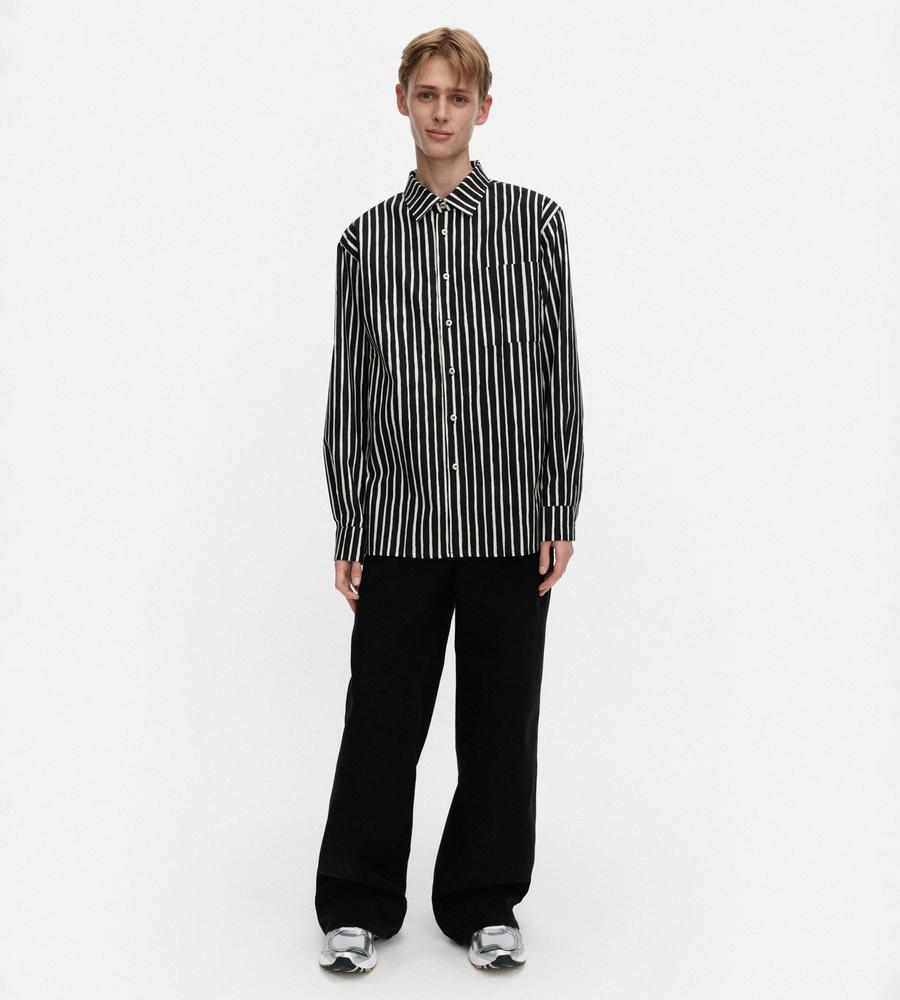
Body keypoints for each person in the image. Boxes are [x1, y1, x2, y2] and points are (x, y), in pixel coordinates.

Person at [315, 25, 585, 973]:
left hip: (511, 518)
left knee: (500, 725)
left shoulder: (535, 224)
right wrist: (350, 519)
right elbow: (352, 389)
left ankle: (484, 901)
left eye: (457, 98)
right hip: (399, 521)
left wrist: (560, 505)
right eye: (426, 95)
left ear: (483, 109)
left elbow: (558, 372)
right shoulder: (365, 242)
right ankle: (356, 903)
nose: (440, 113)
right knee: (381, 721)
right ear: (402, 101)